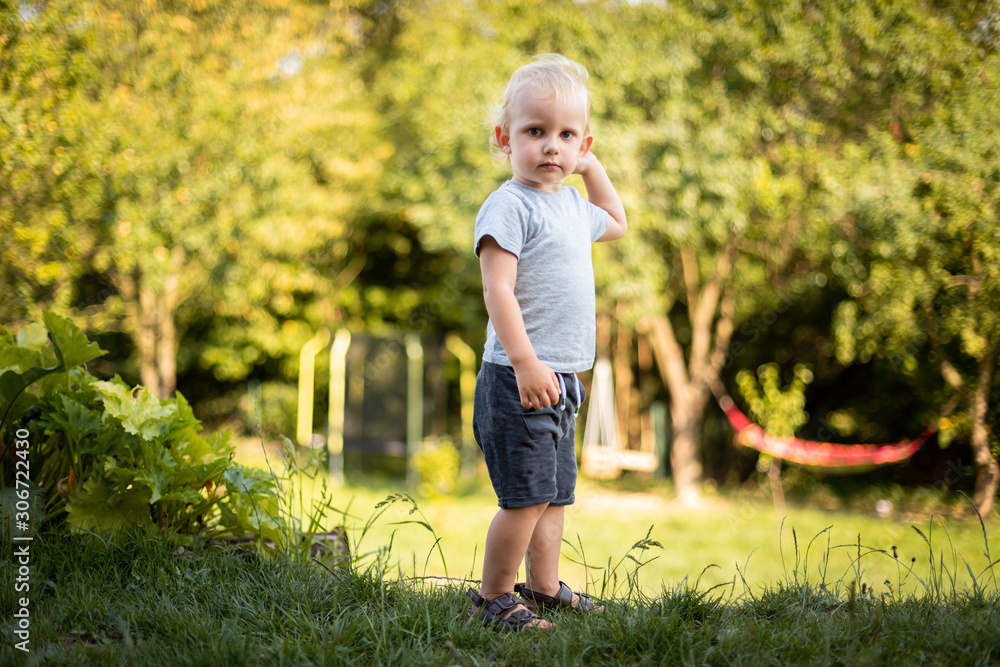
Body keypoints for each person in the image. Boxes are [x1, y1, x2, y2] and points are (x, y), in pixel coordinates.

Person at [467, 53, 627, 631]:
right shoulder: (509, 206)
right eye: (536, 132)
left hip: (562, 378)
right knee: (526, 497)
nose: (551, 147)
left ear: (583, 143)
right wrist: (527, 361)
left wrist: (591, 166)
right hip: (518, 377)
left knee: (556, 495)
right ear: (505, 138)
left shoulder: (573, 208)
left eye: (566, 135)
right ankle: (492, 598)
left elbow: (617, 218)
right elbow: (498, 292)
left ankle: (543, 587)